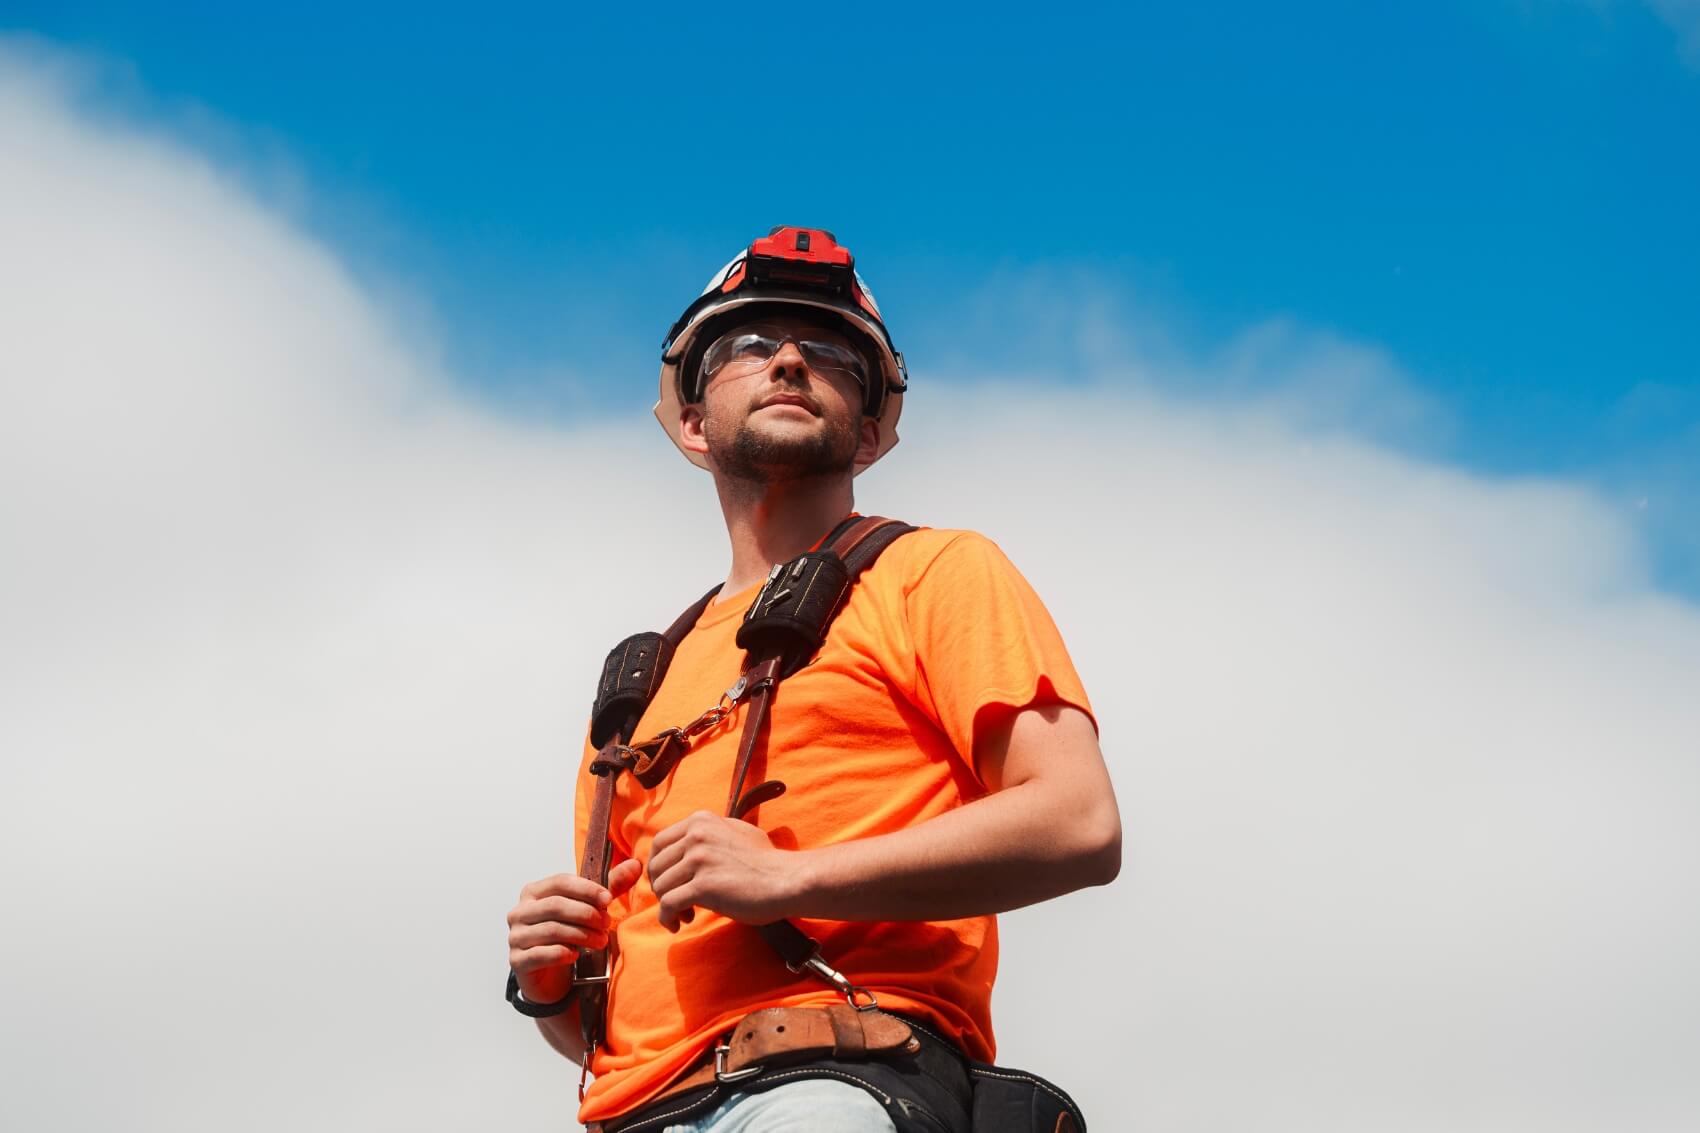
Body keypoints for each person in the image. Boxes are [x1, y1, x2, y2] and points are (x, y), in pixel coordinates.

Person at [506, 227, 1121, 1132]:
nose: (789, 359)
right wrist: (550, 980)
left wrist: (787, 879)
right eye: (748, 345)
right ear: (691, 419)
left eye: (829, 351)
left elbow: (1079, 821)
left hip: (825, 1085)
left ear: (871, 429)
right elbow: (615, 1030)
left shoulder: (932, 572)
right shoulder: (642, 684)